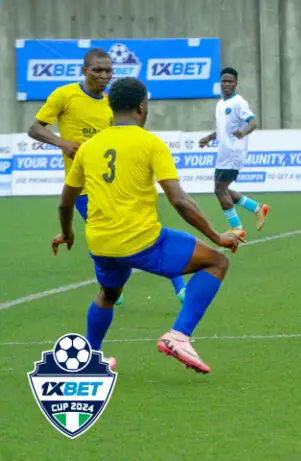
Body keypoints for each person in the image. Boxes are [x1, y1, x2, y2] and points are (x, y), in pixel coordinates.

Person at [51, 77, 245, 374]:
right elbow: (179, 200)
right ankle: (178, 336)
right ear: (142, 107)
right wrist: (216, 236)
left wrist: (67, 233)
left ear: (110, 107)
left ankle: (90, 359)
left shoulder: (88, 148)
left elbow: (66, 203)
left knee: (108, 294)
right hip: (141, 241)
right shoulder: (151, 143)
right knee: (217, 262)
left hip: (101, 243)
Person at [29, 48, 188, 306]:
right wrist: (62, 143)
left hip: (118, 181)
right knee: (105, 234)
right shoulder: (64, 95)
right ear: (84, 71)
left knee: (146, 230)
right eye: (98, 70)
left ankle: (171, 285)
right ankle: (114, 287)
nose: (104, 75)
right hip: (84, 185)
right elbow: (34, 128)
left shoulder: (113, 104)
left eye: (108, 71)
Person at [199, 67, 269, 236]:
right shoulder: (220, 104)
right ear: (220, 83)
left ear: (236, 84)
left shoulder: (239, 102)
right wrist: (208, 138)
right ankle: (257, 208)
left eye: (230, 81)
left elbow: (253, 122)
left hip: (233, 153)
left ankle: (237, 228)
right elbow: (222, 130)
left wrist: (243, 132)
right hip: (223, 153)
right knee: (222, 189)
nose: (227, 84)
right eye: (224, 81)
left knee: (219, 189)